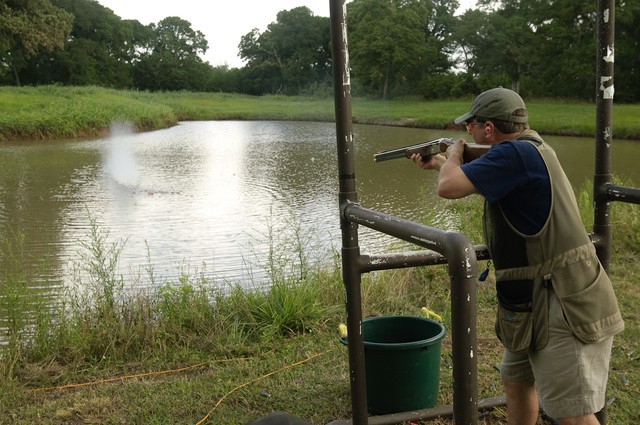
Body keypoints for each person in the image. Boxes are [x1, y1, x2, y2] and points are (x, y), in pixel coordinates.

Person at [410, 87, 624, 425]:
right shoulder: (526, 149)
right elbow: (477, 179)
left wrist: (452, 155)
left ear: (489, 129)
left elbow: (447, 187)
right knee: (516, 379)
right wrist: (440, 162)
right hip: (534, 299)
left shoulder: (515, 154)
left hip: (563, 300)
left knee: (573, 414)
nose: (468, 133)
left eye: (471, 126)